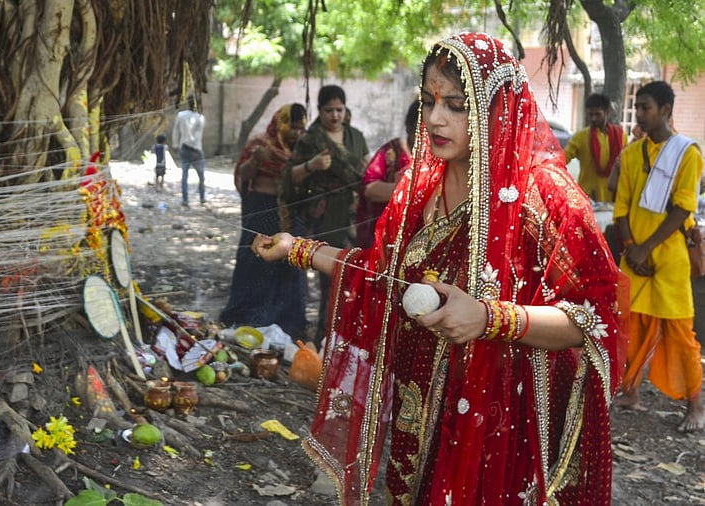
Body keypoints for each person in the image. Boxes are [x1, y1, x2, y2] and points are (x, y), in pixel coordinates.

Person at [254, 32, 627, 504]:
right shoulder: (418, 188)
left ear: (496, 109)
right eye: (430, 101)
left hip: (504, 428)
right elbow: (379, 276)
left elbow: (593, 319)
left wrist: (491, 318)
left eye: (456, 104)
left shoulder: (543, 195)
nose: (434, 119)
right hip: (422, 413)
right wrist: (297, 249)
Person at [612, 80, 705, 432]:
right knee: (628, 328)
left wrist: (645, 248)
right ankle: (630, 391)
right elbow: (621, 207)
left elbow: (683, 210)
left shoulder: (688, 153)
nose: (639, 114)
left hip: (668, 260)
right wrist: (631, 248)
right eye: (637, 107)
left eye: (645, 107)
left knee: (681, 333)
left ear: (666, 110)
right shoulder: (632, 154)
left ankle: (696, 405)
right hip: (634, 256)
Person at [277, 85, 370, 348]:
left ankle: (351, 339)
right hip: (325, 217)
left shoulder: (355, 136)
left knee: (356, 274)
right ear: (319, 110)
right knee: (330, 278)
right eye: (329, 110)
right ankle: (324, 337)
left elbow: (367, 171)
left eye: (339, 109)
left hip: (353, 217)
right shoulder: (311, 139)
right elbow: (288, 177)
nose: (335, 115)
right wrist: (312, 165)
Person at [219, 103, 309, 338]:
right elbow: (243, 174)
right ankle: (251, 317)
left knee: (291, 262)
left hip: (290, 214)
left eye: (302, 128)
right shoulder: (260, 145)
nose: (297, 133)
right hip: (262, 210)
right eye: (293, 127)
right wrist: (256, 161)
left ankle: (287, 322)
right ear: (281, 123)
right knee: (257, 261)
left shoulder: (302, 150)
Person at [355, 99, 419, 248]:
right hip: (387, 239)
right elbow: (368, 188)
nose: (426, 137)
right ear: (409, 128)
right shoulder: (392, 152)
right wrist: (404, 189)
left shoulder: (442, 158)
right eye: (420, 130)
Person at [564, 93, 628, 202]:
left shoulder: (621, 136)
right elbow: (563, 159)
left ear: (607, 112)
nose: (593, 118)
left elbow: (626, 165)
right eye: (590, 114)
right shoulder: (580, 137)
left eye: (597, 114)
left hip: (614, 198)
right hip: (587, 198)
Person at [172, 96, 206, 206]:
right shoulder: (201, 117)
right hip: (197, 149)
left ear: (188, 103)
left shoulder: (181, 115)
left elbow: (176, 131)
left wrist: (175, 144)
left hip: (185, 148)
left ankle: (185, 199)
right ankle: (202, 197)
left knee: (185, 175)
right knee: (201, 176)